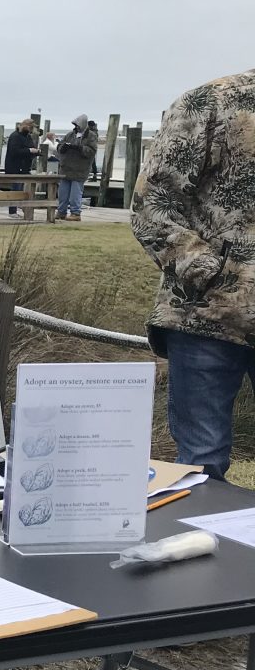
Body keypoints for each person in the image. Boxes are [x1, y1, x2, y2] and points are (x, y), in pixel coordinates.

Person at [131, 67, 255, 481]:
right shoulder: (210, 102)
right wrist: (217, 277)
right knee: (202, 464)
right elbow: (152, 204)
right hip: (206, 318)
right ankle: (199, 545)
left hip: (206, 311)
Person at [56, 113, 97, 221]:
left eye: (78, 125)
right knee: (62, 194)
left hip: (79, 170)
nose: (76, 127)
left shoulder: (91, 136)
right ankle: (61, 212)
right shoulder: (69, 135)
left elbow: (91, 151)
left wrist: (79, 148)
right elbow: (59, 146)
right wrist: (62, 148)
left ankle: (75, 213)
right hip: (66, 169)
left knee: (75, 194)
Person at [3, 118, 40, 216]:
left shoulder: (28, 137)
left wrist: (35, 152)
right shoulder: (15, 136)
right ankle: (12, 211)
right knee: (16, 189)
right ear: (27, 127)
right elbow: (14, 151)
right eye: (31, 127)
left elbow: (30, 148)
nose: (32, 130)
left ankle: (23, 207)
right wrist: (29, 151)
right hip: (14, 168)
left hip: (24, 168)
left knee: (24, 189)